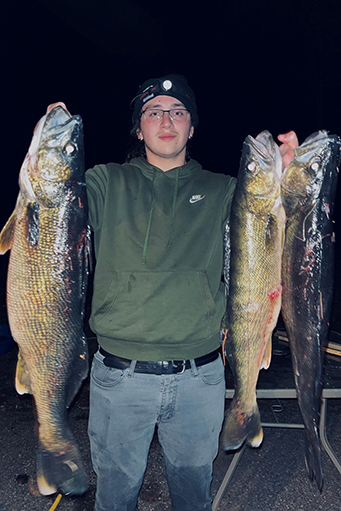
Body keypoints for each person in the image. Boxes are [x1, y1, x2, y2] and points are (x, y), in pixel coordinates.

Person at [47, 75, 298, 511]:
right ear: (138, 127)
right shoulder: (103, 182)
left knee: (193, 495)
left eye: (178, 112)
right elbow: (51, 212)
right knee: (115, 496)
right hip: (119, 378)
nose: (167, 120)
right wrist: (47, 150)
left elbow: (275, 225)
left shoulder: (225, 191)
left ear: (192, 127)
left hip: (199, 379)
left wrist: (291, 177)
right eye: (154, 112)